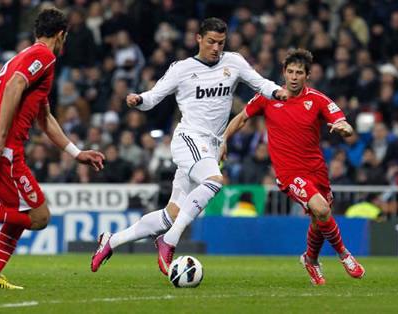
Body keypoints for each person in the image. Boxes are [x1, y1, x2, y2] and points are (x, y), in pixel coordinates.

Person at [91, 17, 288, 275]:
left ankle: (111, 240)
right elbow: (153, 97)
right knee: (215, 181)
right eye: (211, 42)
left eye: (221, 43)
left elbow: (260, 82)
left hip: (211, 146)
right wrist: (138, 99)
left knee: (171, 214)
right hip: (189, 139)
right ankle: (169, 241)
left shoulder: (234, 62)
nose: (216, 48)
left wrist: (277, 92)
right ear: (198, 39)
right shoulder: (181, 69)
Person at [0, 8, 105, 290]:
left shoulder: (26, 57)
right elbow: (14, 87)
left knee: (20, 211)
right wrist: (3, 137)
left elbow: (45, 117)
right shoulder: (44, 55)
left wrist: (76, 153)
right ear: (61, 35)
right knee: (39, 218)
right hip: (3, 148)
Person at [220, 49, 365, 285]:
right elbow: (243, 117)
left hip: (317, 170)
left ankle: (310, 260)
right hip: (289, 174)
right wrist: (224, 139)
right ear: (283, 73)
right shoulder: (269, 96)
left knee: (319, 220)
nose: (294, 77)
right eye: (290, 72)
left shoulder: (317, 99)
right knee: (323, 210)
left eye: (299, 72)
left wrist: (345, 129)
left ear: (307, 75)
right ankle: (344, 254)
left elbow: (341, 120)